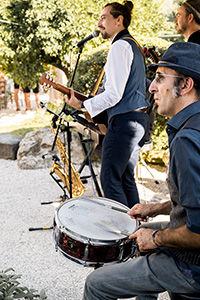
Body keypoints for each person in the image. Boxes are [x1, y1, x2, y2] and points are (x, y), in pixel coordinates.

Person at [81, 42, 200, 300]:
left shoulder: (187, 139)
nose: (151, 87)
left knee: (96, 283)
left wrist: (156, 238)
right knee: (137, 235)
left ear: (186, 85)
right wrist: (155, 209)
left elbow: (197, 231)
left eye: (159, 78)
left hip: (192, 266)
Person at [65, 1, 150, 208]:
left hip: (124, 123)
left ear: (119, 20)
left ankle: (122, 236)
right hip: (138, 120)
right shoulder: (133, 44)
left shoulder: (120, 46)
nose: (99, 23)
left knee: (110, 181)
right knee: (125, 179)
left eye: (104, 17)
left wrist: (83, 106)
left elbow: (114, 94)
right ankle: (136, 233)